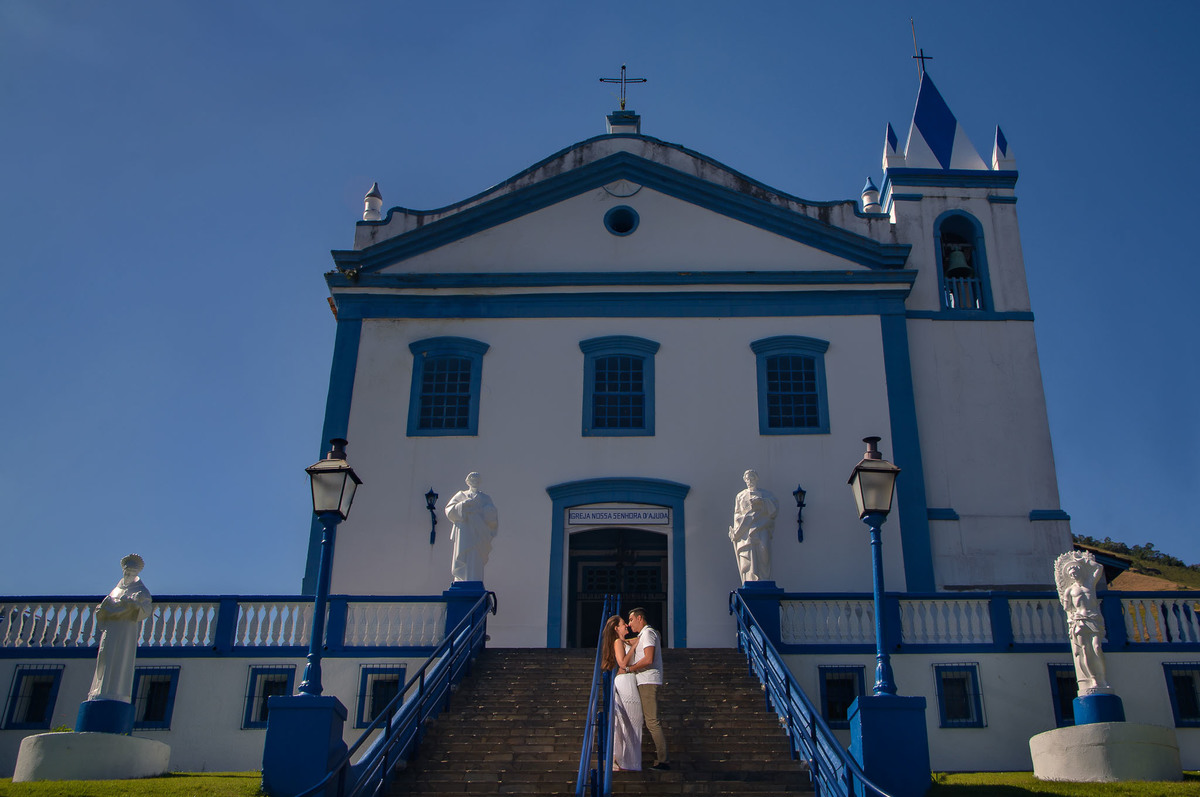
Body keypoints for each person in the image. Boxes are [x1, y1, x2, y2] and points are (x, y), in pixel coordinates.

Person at [88, 553, 153, 702]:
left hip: (125, 629)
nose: (129, 573)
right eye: (127, 570)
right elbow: (102, 609)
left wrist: (131, 604)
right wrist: (104, 609)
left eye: (132, 571)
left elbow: (145, 610)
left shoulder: (142, 591)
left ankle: (115, 690)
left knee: (120, 657)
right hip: (111, 628)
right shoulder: (115, 590)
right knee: (105, 656)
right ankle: (101, 688)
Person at [1054, 551, 1110, 693]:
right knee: (1085, 651)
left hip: (1093, 619)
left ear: (1080, 571)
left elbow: (1099, 567)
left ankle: (1102, 678)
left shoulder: (1090, 584)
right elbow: (1067, 607)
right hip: (1079, 621)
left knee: (1097, 648)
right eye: (1071, 573)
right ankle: (1094, 679)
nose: (1073, 575)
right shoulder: (1069, 591)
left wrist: (1083, 560)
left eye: (1075, 571)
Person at [623, 607, 668, 770]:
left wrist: (630, 668)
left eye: (631, 620)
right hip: (644, 681)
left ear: (640, 618)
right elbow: (630, 642)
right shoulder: (643, 635)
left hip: (648, 681)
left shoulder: (648, 634)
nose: (629, 624)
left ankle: (663, 760)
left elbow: (648, 658)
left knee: (652, 721)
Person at [600, 615, 642, 772]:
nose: (627, 626)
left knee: (629, 721)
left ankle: (624, 760)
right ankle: (625, 761)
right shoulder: (618, 642)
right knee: (630, 720)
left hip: (627, 680)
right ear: (616, 628)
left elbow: (640, 637)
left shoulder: (623, 641)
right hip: (625, 680)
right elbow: (622, 663)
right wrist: (633, 646)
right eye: (624, 624)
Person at [444, 472, 499, 582]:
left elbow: (492, 517)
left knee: (476, 555)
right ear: (468, 481)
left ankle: (474, 578)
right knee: (464, 552)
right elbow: (449, 510)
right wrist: (463, 505)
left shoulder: (485, 498)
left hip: (479, 531)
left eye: (477, 479)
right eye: (473, 479)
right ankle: (461, 578)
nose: (475, 481)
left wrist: (487, 512)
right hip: (464, 531)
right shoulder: (461, 495)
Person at [728, 469, 778, 583]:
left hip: (762, 527)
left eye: (752, 478)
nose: (750, 481)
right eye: (747, 479)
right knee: (749, 556)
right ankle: (750, 579)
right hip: (747, 531)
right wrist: (745, 519)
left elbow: (774, 510)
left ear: (757, 478)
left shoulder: (767, 495)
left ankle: (765, 578)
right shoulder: (740, 496)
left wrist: (762, 502)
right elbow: (737, 514)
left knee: (764, 551)